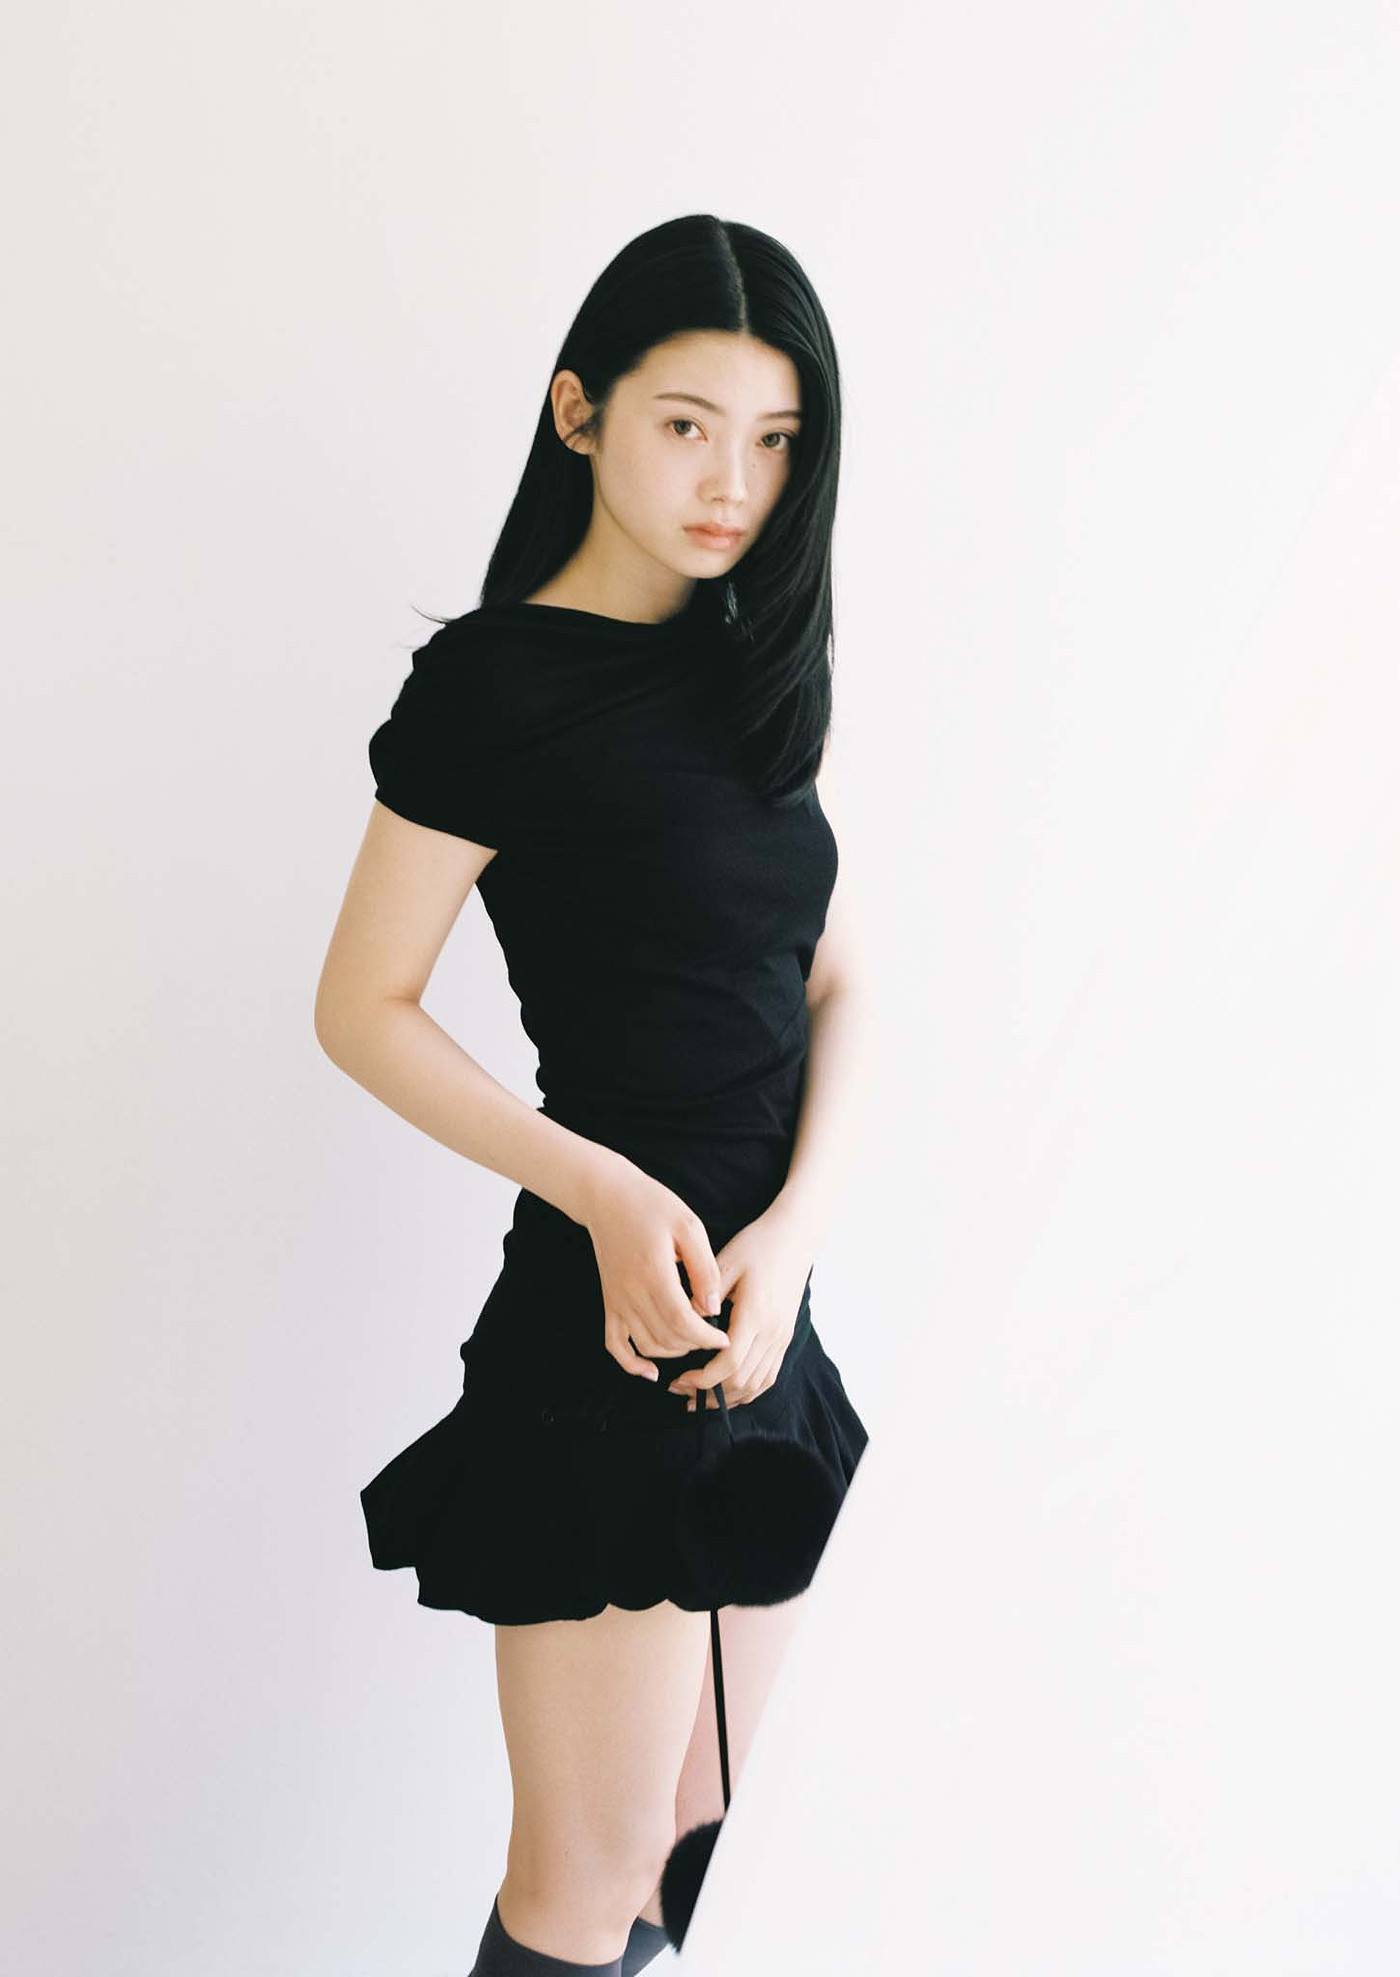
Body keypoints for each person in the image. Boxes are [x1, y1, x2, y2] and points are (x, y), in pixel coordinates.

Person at [315, 214, 874, 1976]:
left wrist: (792, 1241)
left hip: (764, 1322)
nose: (733, 484)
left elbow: (839, 978)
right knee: (584, 1881)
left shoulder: (752, 664)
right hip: (611, 1319)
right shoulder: (492, 690)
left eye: (774, 439)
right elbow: (361, 1006)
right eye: (687, 424)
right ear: (580, 412)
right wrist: (606, 1191)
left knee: (679, 1849)